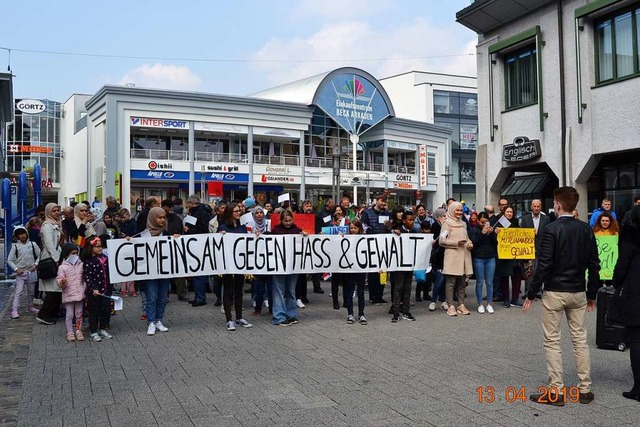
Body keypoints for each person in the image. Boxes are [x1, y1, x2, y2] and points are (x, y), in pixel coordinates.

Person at [524, 186, 599, 406]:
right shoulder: (586, 229)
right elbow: (595, 265)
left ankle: (556, 391)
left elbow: (544, 264)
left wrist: (531, 292)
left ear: (557, 205)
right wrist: (592, 293)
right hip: (578, 291)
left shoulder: (551, 229)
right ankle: (584, 389)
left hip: (555, 291)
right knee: (580, 340)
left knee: (552, 341)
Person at [612, 205, 640, 402]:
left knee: (636, 338)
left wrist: (616, 282)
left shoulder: (630, 238)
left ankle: (638, 386)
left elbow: (622, 266)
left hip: (635, 291)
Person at [217, 203, 253, 331]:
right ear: (230, 212)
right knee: (228, 291)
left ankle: (239, 317)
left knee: (239, 291)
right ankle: (229, 320)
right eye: (236, 211)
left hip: (240, 263)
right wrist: (220, 235)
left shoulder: (242, 227)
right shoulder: (223, 227)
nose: (239, 213)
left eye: (239, 211)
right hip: (227, 264)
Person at [140, 207, 172, 336]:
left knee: (163, 297)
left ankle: (159, 320)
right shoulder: (144, 235)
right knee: (152, 297)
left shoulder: (166, 234)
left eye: (164, 217)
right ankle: (151, 322)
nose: (162, 220)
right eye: (159, 217)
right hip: (150, 272)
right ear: (153, 218)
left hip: (164, 271)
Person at [270, 209, 306, 326]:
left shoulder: (297, 230)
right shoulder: (275, 231)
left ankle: (291, 315)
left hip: (292, 266)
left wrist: (305, 236)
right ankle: (279, 316)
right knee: (279, 291)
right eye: (285, 221)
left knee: (291, 290)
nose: (288, 223)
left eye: (290, 220)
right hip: (279, 266)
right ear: (281, 220)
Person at [439, 202, 473, 317]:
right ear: (451, 210)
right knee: (450, 283)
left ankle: (461, 304)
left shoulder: (464, 224)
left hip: (464, 256)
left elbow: (467, 238)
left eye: (461, 210)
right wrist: (456, 243)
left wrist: (469, 243)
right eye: (457, 210)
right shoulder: (446, 224)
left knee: (462, 283)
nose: (459, 213)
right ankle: (450, 305)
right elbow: (441, 241)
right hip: (452, 257)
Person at [36, 203, 64, 326]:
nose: (57, 213)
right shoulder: (47, 226)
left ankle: (54, 312)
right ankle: (43, 314)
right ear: (48, 212)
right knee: (52, 289)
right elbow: (49, 244)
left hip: (57, 258)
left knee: (57, 288)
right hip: (51, 259)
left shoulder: (56, 224)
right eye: (54, 211)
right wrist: (56, 259)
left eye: (58, 210)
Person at [82, 236, 114, 342]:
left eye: (101, 246)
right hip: (95, 292)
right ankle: (93, 331)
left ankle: (103, 328)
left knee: (106, 310)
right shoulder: (88, 262)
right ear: (90, 248)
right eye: (97, 247)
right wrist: (92, 289)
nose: (100, 248)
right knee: (94, 311)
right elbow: (88, 277)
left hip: (106, 290)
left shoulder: (105, 258)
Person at [183, 195, 212, 307]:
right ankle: (198, 296)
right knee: (197, 273)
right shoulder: (195, 212)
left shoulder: (201, 213)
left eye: (188, 203)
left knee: (199, 272)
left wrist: (189, 230)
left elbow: (203, 229)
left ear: (192, 203)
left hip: (199, 244)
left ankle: (200, 297)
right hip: (195, 244)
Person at [361, 195, 391, 304]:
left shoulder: (387, 214)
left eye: (385, 201)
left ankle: (379, 295)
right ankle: (372, 296)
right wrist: (374, 233)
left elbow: (390, 228)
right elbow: (364, 226)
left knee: (383, 272)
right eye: (382, 201)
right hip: (372, 245)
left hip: (384, 246)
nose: (383, 203)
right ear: (377, 201)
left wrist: (389, 227)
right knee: (373, 273)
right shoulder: (367, 213)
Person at [389, 211, 418, 322]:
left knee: (407, 287)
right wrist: (392, 231)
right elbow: (386, 234)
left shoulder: (415, 231)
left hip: (409, 264)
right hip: (399, 264)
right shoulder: (398, 230)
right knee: (398, 287)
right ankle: (396, 312)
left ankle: (406, 310)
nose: (412, 222)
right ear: (404, 220)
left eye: (413, 220)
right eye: (410, 220)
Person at [338, 219, 368, 324]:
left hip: (360, 268)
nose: (353, 230)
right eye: (351, 228)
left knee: (360, 292)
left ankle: (361, 314)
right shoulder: (346, 237)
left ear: (359, 228)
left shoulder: (364, 238)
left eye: (355, 228)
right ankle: (350, 313)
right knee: (349, 291)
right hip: (349, 268)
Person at [520, 199, 551, 299]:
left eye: (538, 207)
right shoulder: (525, 219)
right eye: (535, 206)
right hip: (529, 248)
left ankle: (537, 291)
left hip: (542, 248)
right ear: (531, 207)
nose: (536, 208)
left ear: (540, 207)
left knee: (539, 270)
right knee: (529, 270)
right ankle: (528, 292)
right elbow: (522, 232)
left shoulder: (546, 219)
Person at [8, 226, 41, 319]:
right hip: (21, 273)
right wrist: (16, 269)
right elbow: (9, 260)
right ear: (16, 236)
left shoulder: (33, 244)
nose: (22, 236)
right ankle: (14, 310)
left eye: (23, 233)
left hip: (32, 271)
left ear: (26, 233)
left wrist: (35, 264)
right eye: (19, 234)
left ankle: (30, 306)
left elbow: (40, 255)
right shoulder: (15, 246)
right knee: (19, 292)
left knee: (31, 291)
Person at [495, 206, 524, 308]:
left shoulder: (517, 223)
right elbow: (494, 239)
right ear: (504, 213)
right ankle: (506, 299)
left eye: (511, 212)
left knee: (517, 279)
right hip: (505, 257)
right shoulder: (499, 224)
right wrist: (496, 232)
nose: (509, 214)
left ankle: (515, 299)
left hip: (516, 257)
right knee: (505, 279)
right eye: (507, 212)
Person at [468, 212, 497, 314]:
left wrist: (493, 233)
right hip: (479, 258)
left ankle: (489, 303)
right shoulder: (474, 229)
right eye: (482, 222)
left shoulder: (490, 229)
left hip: (490, 257)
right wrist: (482, 233)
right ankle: (480, 303)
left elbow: (496, 244)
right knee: (480, 282)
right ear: (478, 221)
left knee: (489, 282)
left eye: (486, 222)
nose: (484, 224)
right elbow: (473, 243)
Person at [56, 243, 85, 342]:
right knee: (69, 314)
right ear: (66, 254)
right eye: (73, 253)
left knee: (79, 313)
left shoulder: (81, 264)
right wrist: (62, 282)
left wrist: (84, 288)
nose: (75, 255)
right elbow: (59, 281)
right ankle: (70, 332)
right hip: (68, 294)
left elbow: (83, 279)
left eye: (76, 253)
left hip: (80, 293)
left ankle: (78, 330)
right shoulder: (62, 267)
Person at [250, 207, 272, 316]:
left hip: (270, 258)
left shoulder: (269, 223)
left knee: (271, 286)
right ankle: (257, 308)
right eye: (257, 213)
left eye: (261, 212)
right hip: (258, 259)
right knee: (259, 285)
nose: (259, 215)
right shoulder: (250, 226)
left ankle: (272, 308)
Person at [428, 208, 448, 312]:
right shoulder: (435, 225)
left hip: (448, 255)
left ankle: (443, 300)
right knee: (439, 280)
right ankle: (433, 300)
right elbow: (435, 240)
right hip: (438, 256)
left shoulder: (449, 226)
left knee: (445, 280)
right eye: (444, 216)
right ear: (439, 217)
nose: (446, 217)